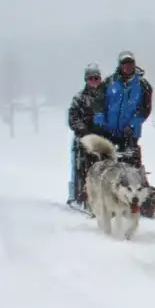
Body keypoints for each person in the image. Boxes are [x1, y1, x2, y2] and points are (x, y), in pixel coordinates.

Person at [93, 50, 153, 169]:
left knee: (131, 166)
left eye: (130, 63)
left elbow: (145, 110)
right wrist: (100, 119)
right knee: (106, 165)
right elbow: (98, 102)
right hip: (109, 131)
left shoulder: (142, 85)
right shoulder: (109, 82)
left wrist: (132, 124)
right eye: (124, 63)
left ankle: (137, 184)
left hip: (130, 133)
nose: (128, 66)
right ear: (120, 65)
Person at [66, 63, 105, 209]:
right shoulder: (79, 98)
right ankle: (82, 194)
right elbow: (73, 118)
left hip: (103, 139)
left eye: (96, 78)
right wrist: (84, 131)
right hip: (84, 139)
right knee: (84, 164)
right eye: (91, 78)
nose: (94, 81)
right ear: (86, 80)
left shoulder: (105, 97)